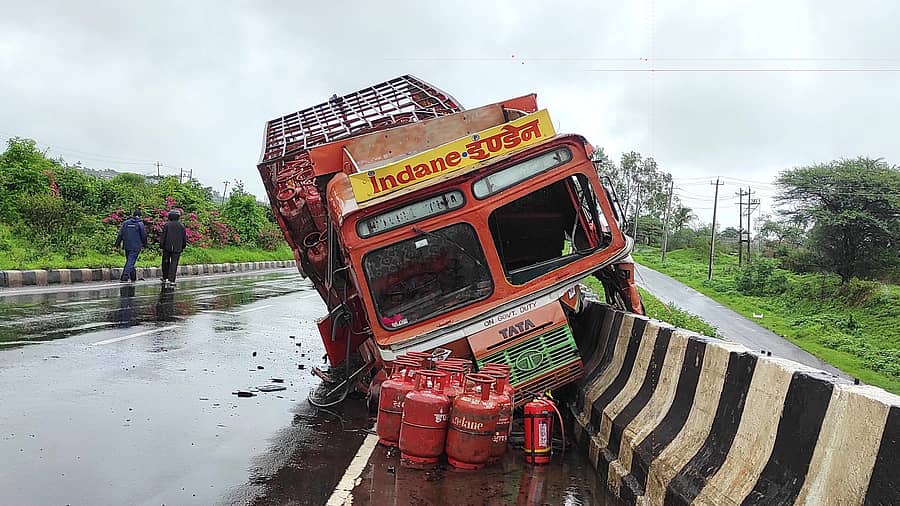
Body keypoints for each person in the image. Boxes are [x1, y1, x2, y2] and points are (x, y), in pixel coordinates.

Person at [114, 210, 147, 282]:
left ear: (133, 215)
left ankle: (133, 276)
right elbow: (144, 236)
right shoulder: (140, 224)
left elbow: (120, 234)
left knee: (130, 260)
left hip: (127, 245)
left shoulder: (126, 223)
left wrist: (117, 244)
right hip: (136, 246)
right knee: (131, 261)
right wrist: (145, 244)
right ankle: (125, 276)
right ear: (140, 216)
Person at [160, 209, 188, 287]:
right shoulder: (181, 226)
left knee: (165, 262)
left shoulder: (167, 225)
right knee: (174, 263)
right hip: (177, 248)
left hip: (167, 247)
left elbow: (163, 237)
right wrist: (183, 246)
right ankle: (172, 280)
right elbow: (184, 238)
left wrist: (161, 245)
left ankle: (165, 277)